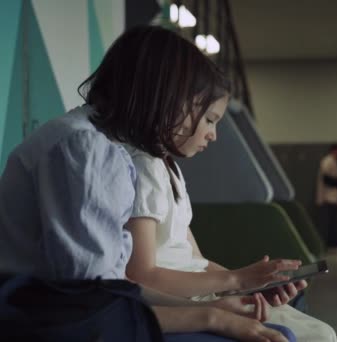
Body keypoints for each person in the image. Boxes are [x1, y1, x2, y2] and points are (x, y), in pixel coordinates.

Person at [0, 26, 299, 342]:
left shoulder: (99, 145)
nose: (212, 133)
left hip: (64, 311)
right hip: (34, 319)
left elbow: (113, 287)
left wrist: (215, 308)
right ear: (171, 97)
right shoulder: (86, 150)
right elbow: (94, 304)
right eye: (208, 118)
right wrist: (211, 316)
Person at [121, 60, 337, 342]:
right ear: (179, 108)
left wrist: (251, 284)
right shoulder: (142, 166)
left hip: (202, 291)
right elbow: (142, 275)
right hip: (181, 300)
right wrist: (237, 281)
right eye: (210, 120)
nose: (213, 134)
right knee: (319, 335)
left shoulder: (168, 167)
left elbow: (194, 259)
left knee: (317, 328)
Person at [316, 144, 337, 255]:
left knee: (334, 223)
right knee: (332, 224)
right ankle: (333, 246)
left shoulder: (334, 162)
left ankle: (333, 246)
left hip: (334, 199)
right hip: (329, 198)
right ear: (334, 151)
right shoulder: (328, 161)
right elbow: (326, 179)